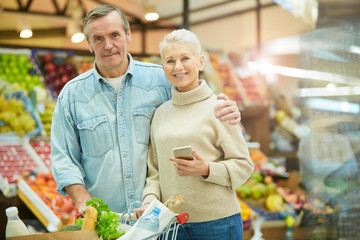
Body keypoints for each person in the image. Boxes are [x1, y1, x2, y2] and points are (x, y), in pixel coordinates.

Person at [50, 5, 241, 215]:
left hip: (160, 219)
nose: (108, 45)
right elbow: (63, 157)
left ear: (128, 35)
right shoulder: (72, 95)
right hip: (106, 219)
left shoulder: (162, 80)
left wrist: (225, 107)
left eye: (115, 35)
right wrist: (86, 205)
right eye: (98, 39)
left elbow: (197, 106)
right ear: (89, 44)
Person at [135, 29, 254, 240]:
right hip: (170, 225)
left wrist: (207, 169)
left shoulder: (220, 107)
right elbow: (154, 172)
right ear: (163, 67)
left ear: (200, 62)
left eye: (185, 58)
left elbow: (243, 165)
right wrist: (148, 202)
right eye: (170, 60)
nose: (177, 66)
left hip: (217, 224)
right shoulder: (160, 113)